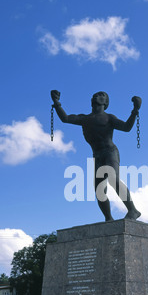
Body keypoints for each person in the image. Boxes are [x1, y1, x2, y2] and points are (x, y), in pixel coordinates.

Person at [51, 90, 142, 221]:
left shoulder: (109, 117)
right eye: (95, 95)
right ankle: (108, 218)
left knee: (113, 179)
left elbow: (127, 127)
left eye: (102, 95)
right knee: (99, 189)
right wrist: (56, 103)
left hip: (110, 152)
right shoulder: (85, 119)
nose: (97, 96)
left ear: (106, 102)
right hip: (97, 155)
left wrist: (135, 110)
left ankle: (133, 210)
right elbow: (65, 118)